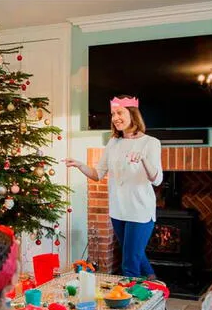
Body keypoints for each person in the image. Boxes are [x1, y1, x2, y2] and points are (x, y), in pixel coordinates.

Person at [65, 95, 163, 278]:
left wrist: (143, 159)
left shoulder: (151, 143)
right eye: (112, 114)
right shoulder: (113, 143)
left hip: (140, 212)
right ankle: (158, 301)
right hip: (118, 212)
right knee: (138, 257)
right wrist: (80, 165)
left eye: (120, 112)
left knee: (129, 265)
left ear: (133, 114)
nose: (115, 118)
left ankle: (129, 305)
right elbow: (97, 174)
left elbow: (156, 179)